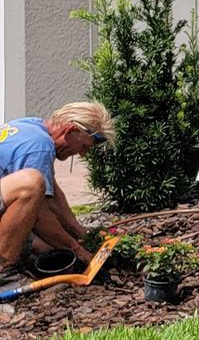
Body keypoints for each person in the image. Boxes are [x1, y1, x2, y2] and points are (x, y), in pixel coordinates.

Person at [0, 102, 115, 271]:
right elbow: (39, 214)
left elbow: (51, 194)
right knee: (32, 184)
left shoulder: (32, 125)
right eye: (84, 146)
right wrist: (77, 249)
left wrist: (78, 231)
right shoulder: (39, 147)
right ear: (70, 131)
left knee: (47, 247)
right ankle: (4, 269)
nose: (82, 153)